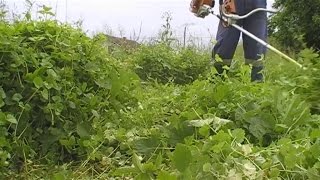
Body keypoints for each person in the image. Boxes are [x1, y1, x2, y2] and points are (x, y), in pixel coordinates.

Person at [191, 0, 268, 82]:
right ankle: (216, 84)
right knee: (224, 47)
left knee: (257, 49)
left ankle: (256, 87)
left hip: (258, 4)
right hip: (231, 4)